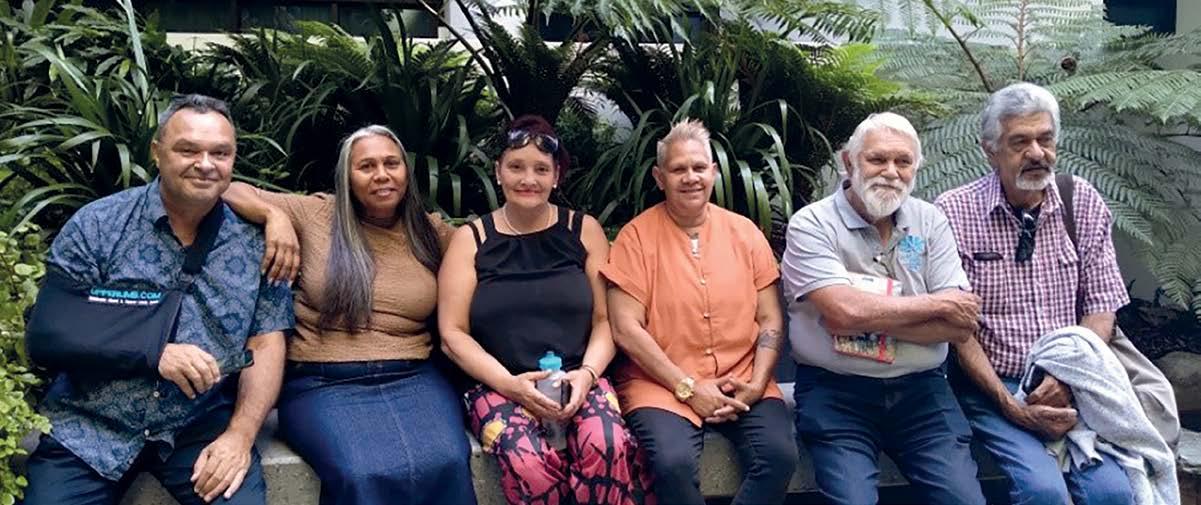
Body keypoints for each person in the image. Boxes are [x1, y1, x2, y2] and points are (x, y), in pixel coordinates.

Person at [22, 94, 294, 505]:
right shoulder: (99, 224)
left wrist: (240, 435)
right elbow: (48, 333)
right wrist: (153, 351)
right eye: (188, 150)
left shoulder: (259, 244)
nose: (205, 164)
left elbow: (266, 343)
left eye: (220, 153)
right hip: (91, 422)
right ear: (157, 152)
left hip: (197, 422)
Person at [221, 125, 476, 505]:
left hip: (413, 377)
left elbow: (494, 245)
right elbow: (227, 188)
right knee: (361, 473)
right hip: (321, 382)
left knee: (449, 460)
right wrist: (273, 215)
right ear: (347, 176)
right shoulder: (315, 213)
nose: (381, 175)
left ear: (406, 171)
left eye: (391, 163)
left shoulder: (430, 232)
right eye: (366, 166)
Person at [935, 82, 1135, 504]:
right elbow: (957, 330)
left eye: (1045, 139)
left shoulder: (1081, 202)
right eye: (1020, 142)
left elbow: (1101, 308)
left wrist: (1065, 377)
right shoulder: (954, 212)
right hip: (993, 387)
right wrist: (1011, 404)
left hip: (1073, 381)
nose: (1036, 152)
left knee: (1113, 493)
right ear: (990, 151)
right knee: (1042, 492)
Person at [780, 112, 986, 505]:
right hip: (836, 393)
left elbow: (959, 326)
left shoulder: (930, 221)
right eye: (877, 159)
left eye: (903, 161)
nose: (891, 172)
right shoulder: (812, 224)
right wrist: (936, 304)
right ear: (849, 161)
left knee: (964, 500)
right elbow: (843, 311)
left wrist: (861, 316)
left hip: (923, 393)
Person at [437, 115, 637, 505]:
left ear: (556, 176)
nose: (528, 179)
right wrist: (509, 384)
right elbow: (452, 333)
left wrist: (587, 375)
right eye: (516, 167)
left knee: (606, 443)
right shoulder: (471, 240)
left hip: (579, 376)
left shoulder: (584, 231)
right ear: (498, 171)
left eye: (541, 169)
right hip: (499, 383)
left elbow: (605, 319)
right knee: (527, 463)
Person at [602, 119, 797, 505]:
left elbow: (770, 318)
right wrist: (687, 388)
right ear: (659, 177)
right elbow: (626, 328)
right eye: (678, 169)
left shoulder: (745, 233)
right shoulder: (635, 238)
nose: (690, 177)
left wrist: (758, 383)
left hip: (743, 379)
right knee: (672, 464)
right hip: (659, 384)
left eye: (698, 167)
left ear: (714, 171)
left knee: (779, 457)